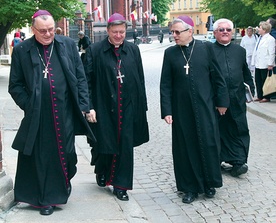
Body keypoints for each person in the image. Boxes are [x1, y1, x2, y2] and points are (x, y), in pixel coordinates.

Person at [8, 9, 96, 216]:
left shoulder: (66, 44)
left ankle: (62, 186)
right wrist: (29, 105)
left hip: (65, 111)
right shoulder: (23, 50)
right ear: (33, 30)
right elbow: (15, 85)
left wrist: (84, 105)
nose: (48, 34)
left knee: (67, 155)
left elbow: (80, 77)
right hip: (38, 114)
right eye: (42, 31)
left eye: (50, 30)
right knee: (42, 157)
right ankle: (46, 199)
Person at [160, 15, 229, 204]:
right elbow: (165, 84)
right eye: (172, 32)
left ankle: (209, 184)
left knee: (208, 143)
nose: (173, 35)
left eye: (177, 32)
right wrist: (167, 110)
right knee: (185, 148)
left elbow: (218, 77)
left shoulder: (206, 48)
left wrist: (222, 102)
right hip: (181, 111)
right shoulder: (170, 53)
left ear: (189, 31)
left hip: (205, 106)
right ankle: (189, 188)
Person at [84, 13, 149, 201]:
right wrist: (89, 107)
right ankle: (102, 170)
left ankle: (121, 186)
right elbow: (86, 81)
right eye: (115, 32)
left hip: (128, 107)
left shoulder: (133, 50)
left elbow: (140, 78)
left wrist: (141, 107)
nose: (119, 36)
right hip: (103, 107)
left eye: (122, 32)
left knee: (125, 147)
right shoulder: (94, 50)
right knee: (104, 145)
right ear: (108, 31)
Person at [212, 18, 255, 177]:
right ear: (215, 32)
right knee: (218, 129)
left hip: (237, 99)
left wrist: (251, 90)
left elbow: (245, 73)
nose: (225, 32)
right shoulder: (209, 50)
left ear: (232, 32)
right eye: (221, 30)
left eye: (228, 30)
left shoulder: (239, 51)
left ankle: (239, 161)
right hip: (216, 101)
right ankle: (217, 160)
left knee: (239, 129)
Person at [251, 21, 276, 102]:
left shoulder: (270, 39)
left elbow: (271, 52)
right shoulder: (259, 38)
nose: (258, 29)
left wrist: (270, 64)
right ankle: (260, 95)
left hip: (265, 63)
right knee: (258, 80)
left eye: (260, 28)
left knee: (265, 80)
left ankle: (266, 96)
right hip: (258, 63)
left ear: (264, 30)